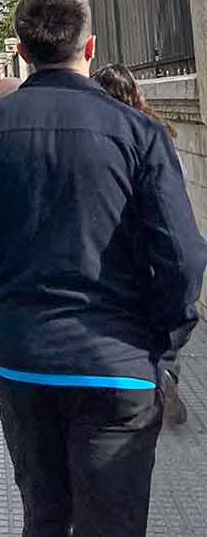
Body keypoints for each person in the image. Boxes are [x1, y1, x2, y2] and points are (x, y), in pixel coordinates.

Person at [0, 0, 207, 537]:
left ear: (23, 52)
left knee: (44, 518)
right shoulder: (139, 132)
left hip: (23, 365)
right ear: (89, 47)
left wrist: (0, 301)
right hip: (118, 370)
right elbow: (183, 256)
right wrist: (162, 346)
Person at [95, 62, 188, 426]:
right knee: (161, 318)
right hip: (159, 245)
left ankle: (155, 376)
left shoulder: (105, 138)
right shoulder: (155, 132)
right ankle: (164, 371)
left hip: (120, 255)